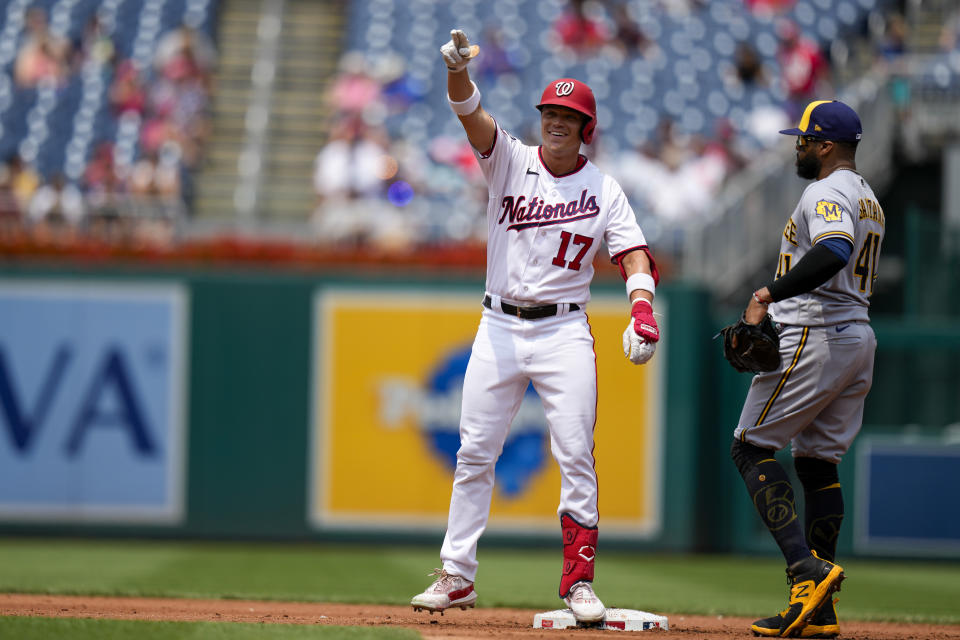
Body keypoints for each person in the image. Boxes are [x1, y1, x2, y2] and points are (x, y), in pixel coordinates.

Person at [410, 29, 661, 624]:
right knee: (474, 452)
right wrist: (456, 74)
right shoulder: (511, 160)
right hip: (498, 325)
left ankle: (578, 583)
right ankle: (457, 574)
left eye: (567, 116)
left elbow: (634, 255)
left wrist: (642, 307)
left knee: (575, 454)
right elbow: (470, 113)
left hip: (562, 331)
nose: (555, 121)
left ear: (585, 129)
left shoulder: (604, 189)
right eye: (550, 111)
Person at [728, 100, 884, 638]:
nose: (796, 145)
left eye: (803, 138)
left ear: (824, 145)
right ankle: (819, 609)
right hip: (856, 337)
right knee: (817, 464)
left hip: (816, 332)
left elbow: (834, 250)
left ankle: (805, 571)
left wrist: (767, 293)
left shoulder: (826, 191)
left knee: (749, 447)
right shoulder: (868, 197)